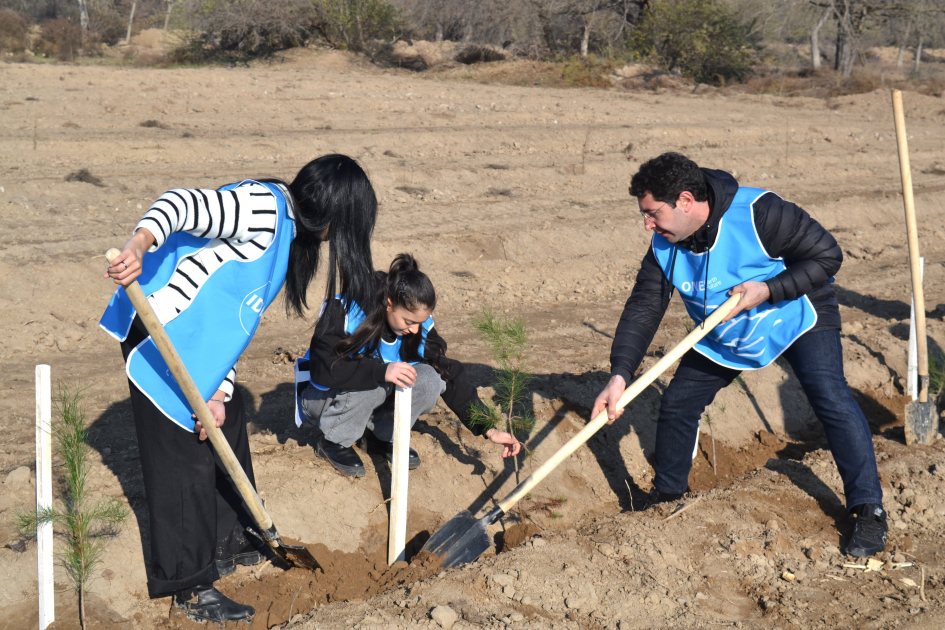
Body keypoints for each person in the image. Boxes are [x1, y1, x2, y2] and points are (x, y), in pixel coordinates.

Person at [99, 155, 380, 624]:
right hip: (162, 331)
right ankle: (189, 585)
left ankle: (233, 541)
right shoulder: (264, 206)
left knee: (226, 426)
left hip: (202, 344)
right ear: (334, 214)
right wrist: (139, 243)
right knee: (181, 455)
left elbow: (235, 324)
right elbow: (182, 204)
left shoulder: (289, 239)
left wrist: (218, 390)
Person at [592, 152, 887, 558]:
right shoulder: (665, 244)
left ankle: (868, 510)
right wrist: (620, 375)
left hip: (795, 315)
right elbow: (644, 307)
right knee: (678, 404)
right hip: (724, 330)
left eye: (652, 213)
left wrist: (766, 290)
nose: (647, 224)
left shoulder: (759, 212)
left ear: (685, 200)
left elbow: (827, 256)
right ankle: (667, 497)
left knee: (830, 398)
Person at [298, 253, 522, 477]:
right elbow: (323, 369)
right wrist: (382, 371)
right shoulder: (347, 309)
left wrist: (487, 428)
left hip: (366, 396)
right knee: (378, 381)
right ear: (389, 303)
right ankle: (334, 441)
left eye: (420, 323)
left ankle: (381, 437)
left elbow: (449, 374)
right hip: (321, 397)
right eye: (409, 322)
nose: (414, 330)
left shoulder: (417, 327)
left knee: (429, 379)